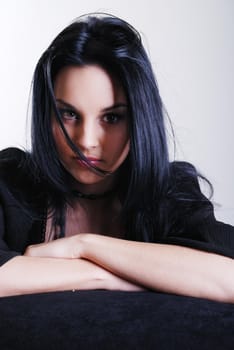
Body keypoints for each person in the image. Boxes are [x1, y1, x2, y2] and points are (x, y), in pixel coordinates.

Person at [0, 13, 234, 301]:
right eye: (69, 114)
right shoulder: (11, 180)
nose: (86, 142)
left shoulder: (169, 190)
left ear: (140, 118)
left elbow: (228, 278)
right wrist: (106, 275)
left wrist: (84, 246)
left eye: (111, 117)